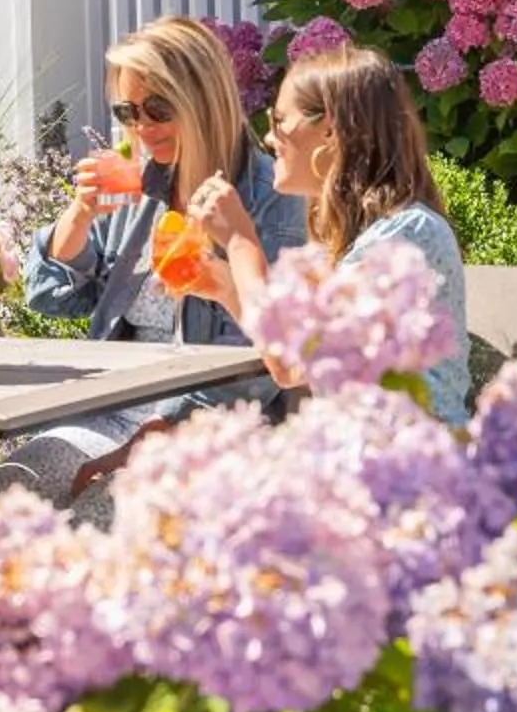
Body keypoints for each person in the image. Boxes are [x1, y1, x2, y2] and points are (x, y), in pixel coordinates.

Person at [0, 15, 308, 513]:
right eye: (127, 111)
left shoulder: (267, 198)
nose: (140, 127)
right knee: (0, 500)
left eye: (157, 109)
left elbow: (258, 367)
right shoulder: (141, 186)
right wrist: (78, 215)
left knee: (100, 515)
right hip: (112, 410)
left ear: (202, 101)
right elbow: (51, 297)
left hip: (213, 430)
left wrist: (146, 443)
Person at [191, 43, 471, 428]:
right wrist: (226, 289)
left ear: (330, 131)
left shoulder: (405, 238)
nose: (269, 139)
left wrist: (240, 241)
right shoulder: (350, 242)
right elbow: (292, 369)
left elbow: (290, 359)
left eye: (278, 121)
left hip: (412, 468)